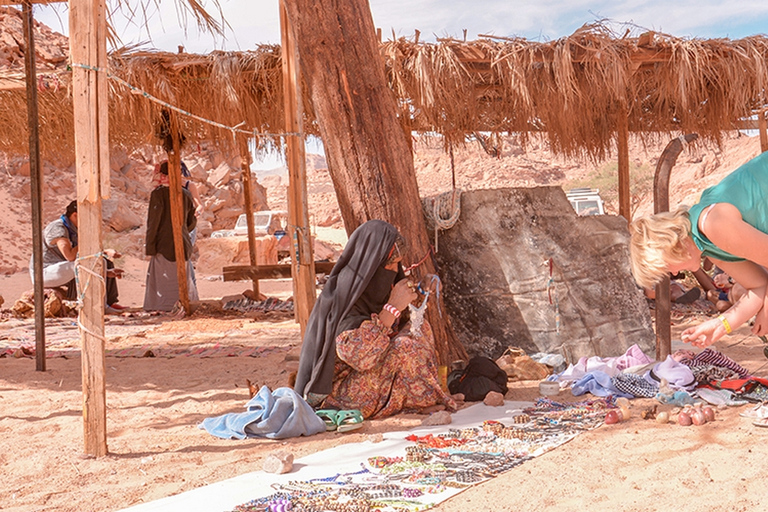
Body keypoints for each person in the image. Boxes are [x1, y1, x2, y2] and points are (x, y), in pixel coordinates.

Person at [293, 219, 457, 419]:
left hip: (368, 374)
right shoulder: (342, 297)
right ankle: (414, 401)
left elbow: (403, 319)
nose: (395, 272)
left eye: (398, 265)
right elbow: (360, 358)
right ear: (372, 265)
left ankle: (419, 399)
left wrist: (420, 289)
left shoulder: (375, 288)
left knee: (418, 332)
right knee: (404, 348)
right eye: (391, 265)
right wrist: (392, 308)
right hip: (339, 390)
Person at [629, 151, 768, 348]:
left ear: (672, 247)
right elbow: (758, 286)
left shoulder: (712, 225)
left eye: (669, 269)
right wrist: (719, 326)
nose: (676, 273)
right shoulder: (709, 245)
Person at [30, 200, 124, 311]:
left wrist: (105, 270)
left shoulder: (74, 229)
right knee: (83, 264)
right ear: (75, 215)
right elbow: (70, 256)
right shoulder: (57, 228)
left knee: (103, 261)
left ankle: (109, 303)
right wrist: (86, 238)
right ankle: (99, 307)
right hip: (44, 272)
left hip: (62, 268)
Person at [143, 161, 199, 311]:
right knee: (183, 280)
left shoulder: (157, 194)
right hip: (183, 244)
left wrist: (150, 247)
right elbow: (191, 223)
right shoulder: (186, 194)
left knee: (162, 281)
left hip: (163, 245)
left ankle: (163, 308)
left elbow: (153, 223)